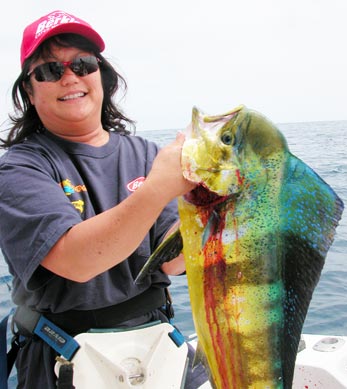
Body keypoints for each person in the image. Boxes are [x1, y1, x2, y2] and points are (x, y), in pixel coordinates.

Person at [0, 10, 207, 389]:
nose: (70, 76)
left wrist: (205, 206)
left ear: (102, 76)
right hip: (65, 359)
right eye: (48, 70)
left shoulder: (146, 154)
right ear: (29, 91)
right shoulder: (18, 169)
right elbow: (77, 262)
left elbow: (176, 261)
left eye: (83, 64)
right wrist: (159, 187)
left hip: (158, 344)